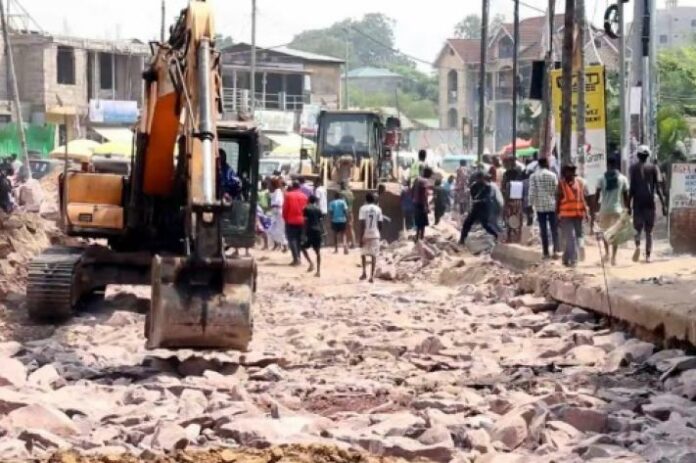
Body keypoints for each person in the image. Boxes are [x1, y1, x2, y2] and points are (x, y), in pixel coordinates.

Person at [629, 145, 667, 263]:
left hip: (638, 202)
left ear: (638, 155)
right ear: (648, 155)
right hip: (649, 202)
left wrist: (627, 204)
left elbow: (632, 188)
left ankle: (637, 246)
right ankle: (648, 256)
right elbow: (658, 188)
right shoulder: (653, 168)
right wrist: (663, 204)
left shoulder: (633, 168)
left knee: (637, 230)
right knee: (649, 231)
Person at [596, 156, 629, 266]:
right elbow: (626, 196)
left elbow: (597, 195)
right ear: (617, 165)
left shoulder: (601, 178)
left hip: (604, 209)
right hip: (617, 210)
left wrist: (595, 209)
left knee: (605, 233)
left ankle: (607, 253)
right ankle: (614, 258)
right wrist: (628, 209)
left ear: (607, 165)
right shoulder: (623, 178)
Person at [556, 164, 589, 268]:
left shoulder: (578, 183)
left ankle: (565, 258)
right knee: (571, 237)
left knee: (576, 237)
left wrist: (586, 212)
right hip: (566, 216)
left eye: (572, 172)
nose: (571, 174)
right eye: (569, 172)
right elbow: (558, 201)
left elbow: (582, 198)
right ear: (565, 173)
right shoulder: (561, 185)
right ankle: (574, 259)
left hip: (578, 214)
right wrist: (557, 215)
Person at [529, 157, 560, 259]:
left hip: (540, 206)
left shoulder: (534, 176)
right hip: (552, 205)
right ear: (547, 163)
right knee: (554, 229)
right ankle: (555, 251)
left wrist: (530, 204)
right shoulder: (552, 175)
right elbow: (556, 191)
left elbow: (532, 192)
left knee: (543, 230)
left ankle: (545, 252)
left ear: (539, 164)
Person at [459, 172, 499, 244]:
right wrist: (476, 201)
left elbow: (488, 197)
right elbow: (473, 195)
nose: (479, 180)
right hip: (476, 207)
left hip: (484, 208)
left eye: (480, 178)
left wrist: (480, 200)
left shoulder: (487, 187)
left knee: (485, 224)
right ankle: (462, 239)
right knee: (467, 223)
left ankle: (496, 236)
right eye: (478, 178)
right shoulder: (474, 186)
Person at [359, 192, 383, 283]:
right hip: (375, 234)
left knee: (363, 254)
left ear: (366, 199)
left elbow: (362, 224)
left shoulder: (362, 208)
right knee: (374, 256)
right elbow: (380, 224)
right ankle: (371, 276)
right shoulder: (378, 209)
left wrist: (360, 237)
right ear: (374, 199)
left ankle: (364, 273)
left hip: (366, 234)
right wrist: (378, 233)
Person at [283, 180, 308, 266]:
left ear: (293, 187)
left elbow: (285, 209)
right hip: (302, 221)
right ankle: (299, 257)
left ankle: (296, 259)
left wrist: (285, 218)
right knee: (298, 240)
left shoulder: (288, 195)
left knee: (292, 239)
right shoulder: (304, 196)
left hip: (291, 220)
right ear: (299, 187)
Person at [301, 195, 324, 277]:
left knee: (302, 247)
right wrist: (323, 231)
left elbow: (305, 222)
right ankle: (318, 271)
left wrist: (303, 233)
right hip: (318, 231)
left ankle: (310, 263)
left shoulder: (306, 208)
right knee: (317, 251)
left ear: (308, 200)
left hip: (310, 231)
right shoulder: (319, 209)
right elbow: (321, 222)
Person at [412, 167, 432, 242]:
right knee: (423, 223)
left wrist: (413, 200)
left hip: (415, 203)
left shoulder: (417, 179)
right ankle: (421, 239)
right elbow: (424, 195)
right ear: (428, 174)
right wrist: (426, 206)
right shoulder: (425, 181)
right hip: (421, 204)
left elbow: (412, 190)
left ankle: (417, 237)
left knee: (418, 222)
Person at [268, 178, 288, 252]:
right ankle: (277, 244)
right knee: (270, 229)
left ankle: (285, 245)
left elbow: (279, 202)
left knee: (280, 229)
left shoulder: (278, 191)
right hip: (275, 212)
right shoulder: (274, 191)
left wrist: (273, 206)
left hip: (278, 212)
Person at [339, 181, 356, 248]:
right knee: (351, 228)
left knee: (344, 229)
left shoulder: (341, 193)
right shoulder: (351, 193)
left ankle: (345, 244)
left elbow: (342, 203)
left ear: (342, 186)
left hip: (344, 212)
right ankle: (353, 243)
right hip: (351, 212)